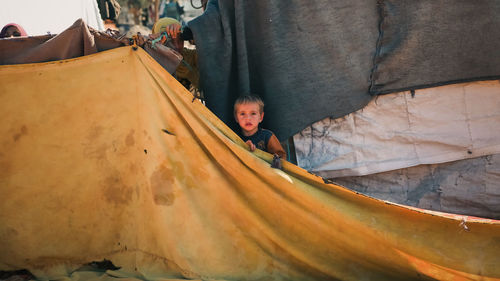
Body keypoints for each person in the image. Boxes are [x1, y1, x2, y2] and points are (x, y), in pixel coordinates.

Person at [234, 95, 286, 159]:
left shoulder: (267, 136)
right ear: (236, 118)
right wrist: (244, 147)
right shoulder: (234, 137)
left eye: (253, 113)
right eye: (242, 114)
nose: (248, 118)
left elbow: (281, 156)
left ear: (261, 117)